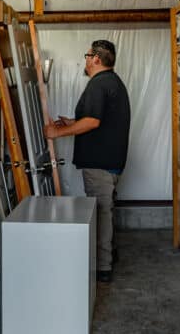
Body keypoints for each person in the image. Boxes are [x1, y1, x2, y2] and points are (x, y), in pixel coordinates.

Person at [44, 39, 131, 283]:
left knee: (101, 211)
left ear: (96, 59)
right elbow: (101, 119)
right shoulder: (113, 82)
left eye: (87, 55)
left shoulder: (98, 84)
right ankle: (109, 255)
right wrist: (72, 122)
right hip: (111, 160)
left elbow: (93, 122)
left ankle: (103, 267)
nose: (85, 59)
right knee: (106, 209)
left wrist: (57, 132)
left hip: (99, 163)